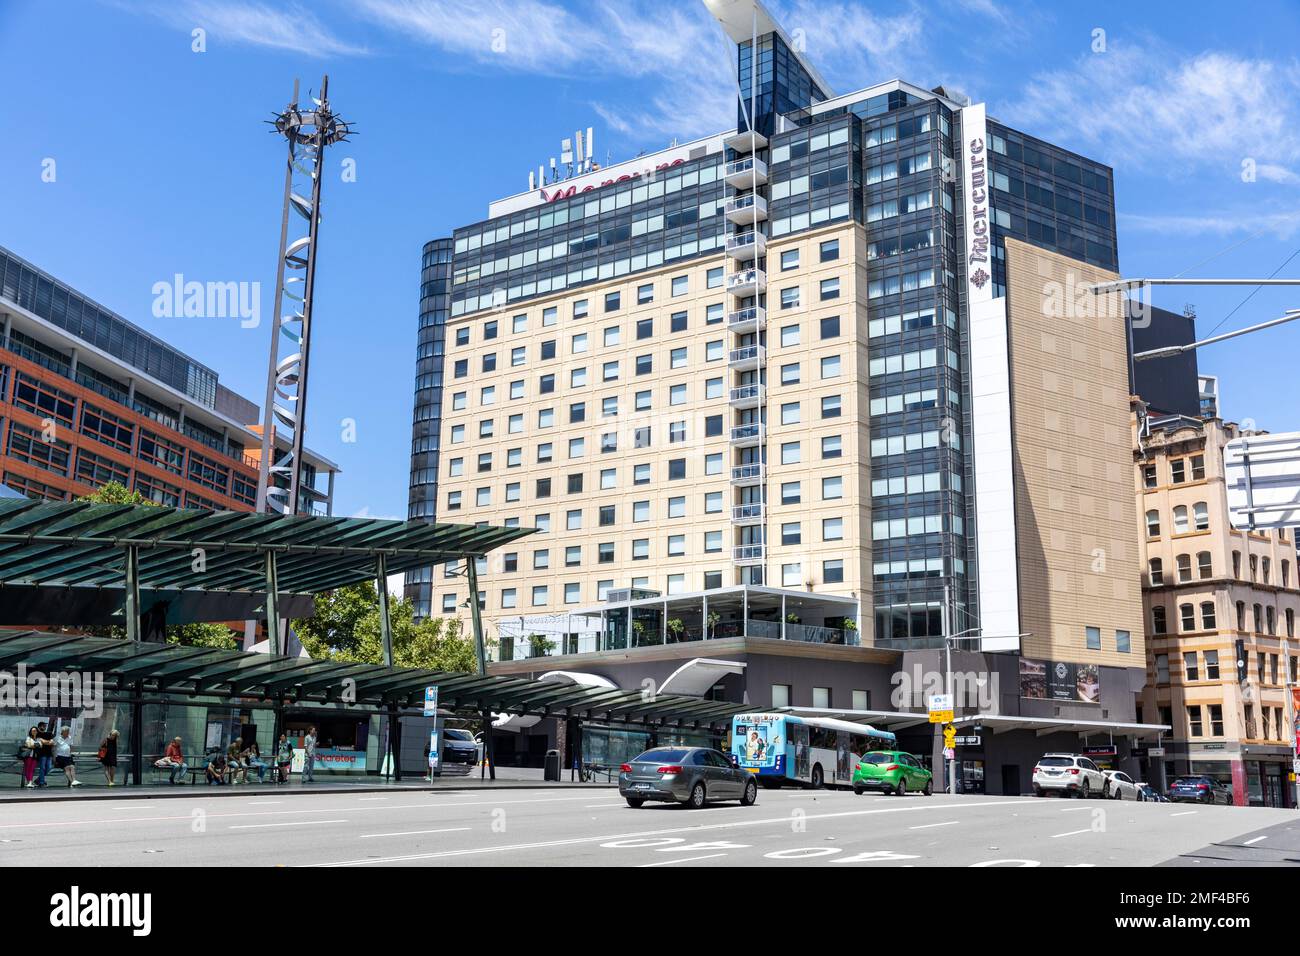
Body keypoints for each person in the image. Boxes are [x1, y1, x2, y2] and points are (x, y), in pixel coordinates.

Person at [34, 721, 54, 788]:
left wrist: (45, 742)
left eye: (45, 726)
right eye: (43, 726)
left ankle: (38, 779)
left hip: (49, 754)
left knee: (49, 768)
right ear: (39, 727)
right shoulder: (37, 734)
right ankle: (41, 782)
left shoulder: (49, 734)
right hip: (42, 754)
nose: (44, 727)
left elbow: (52, 742)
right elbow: (42, 741)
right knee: (42, 768)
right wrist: (47, 742)